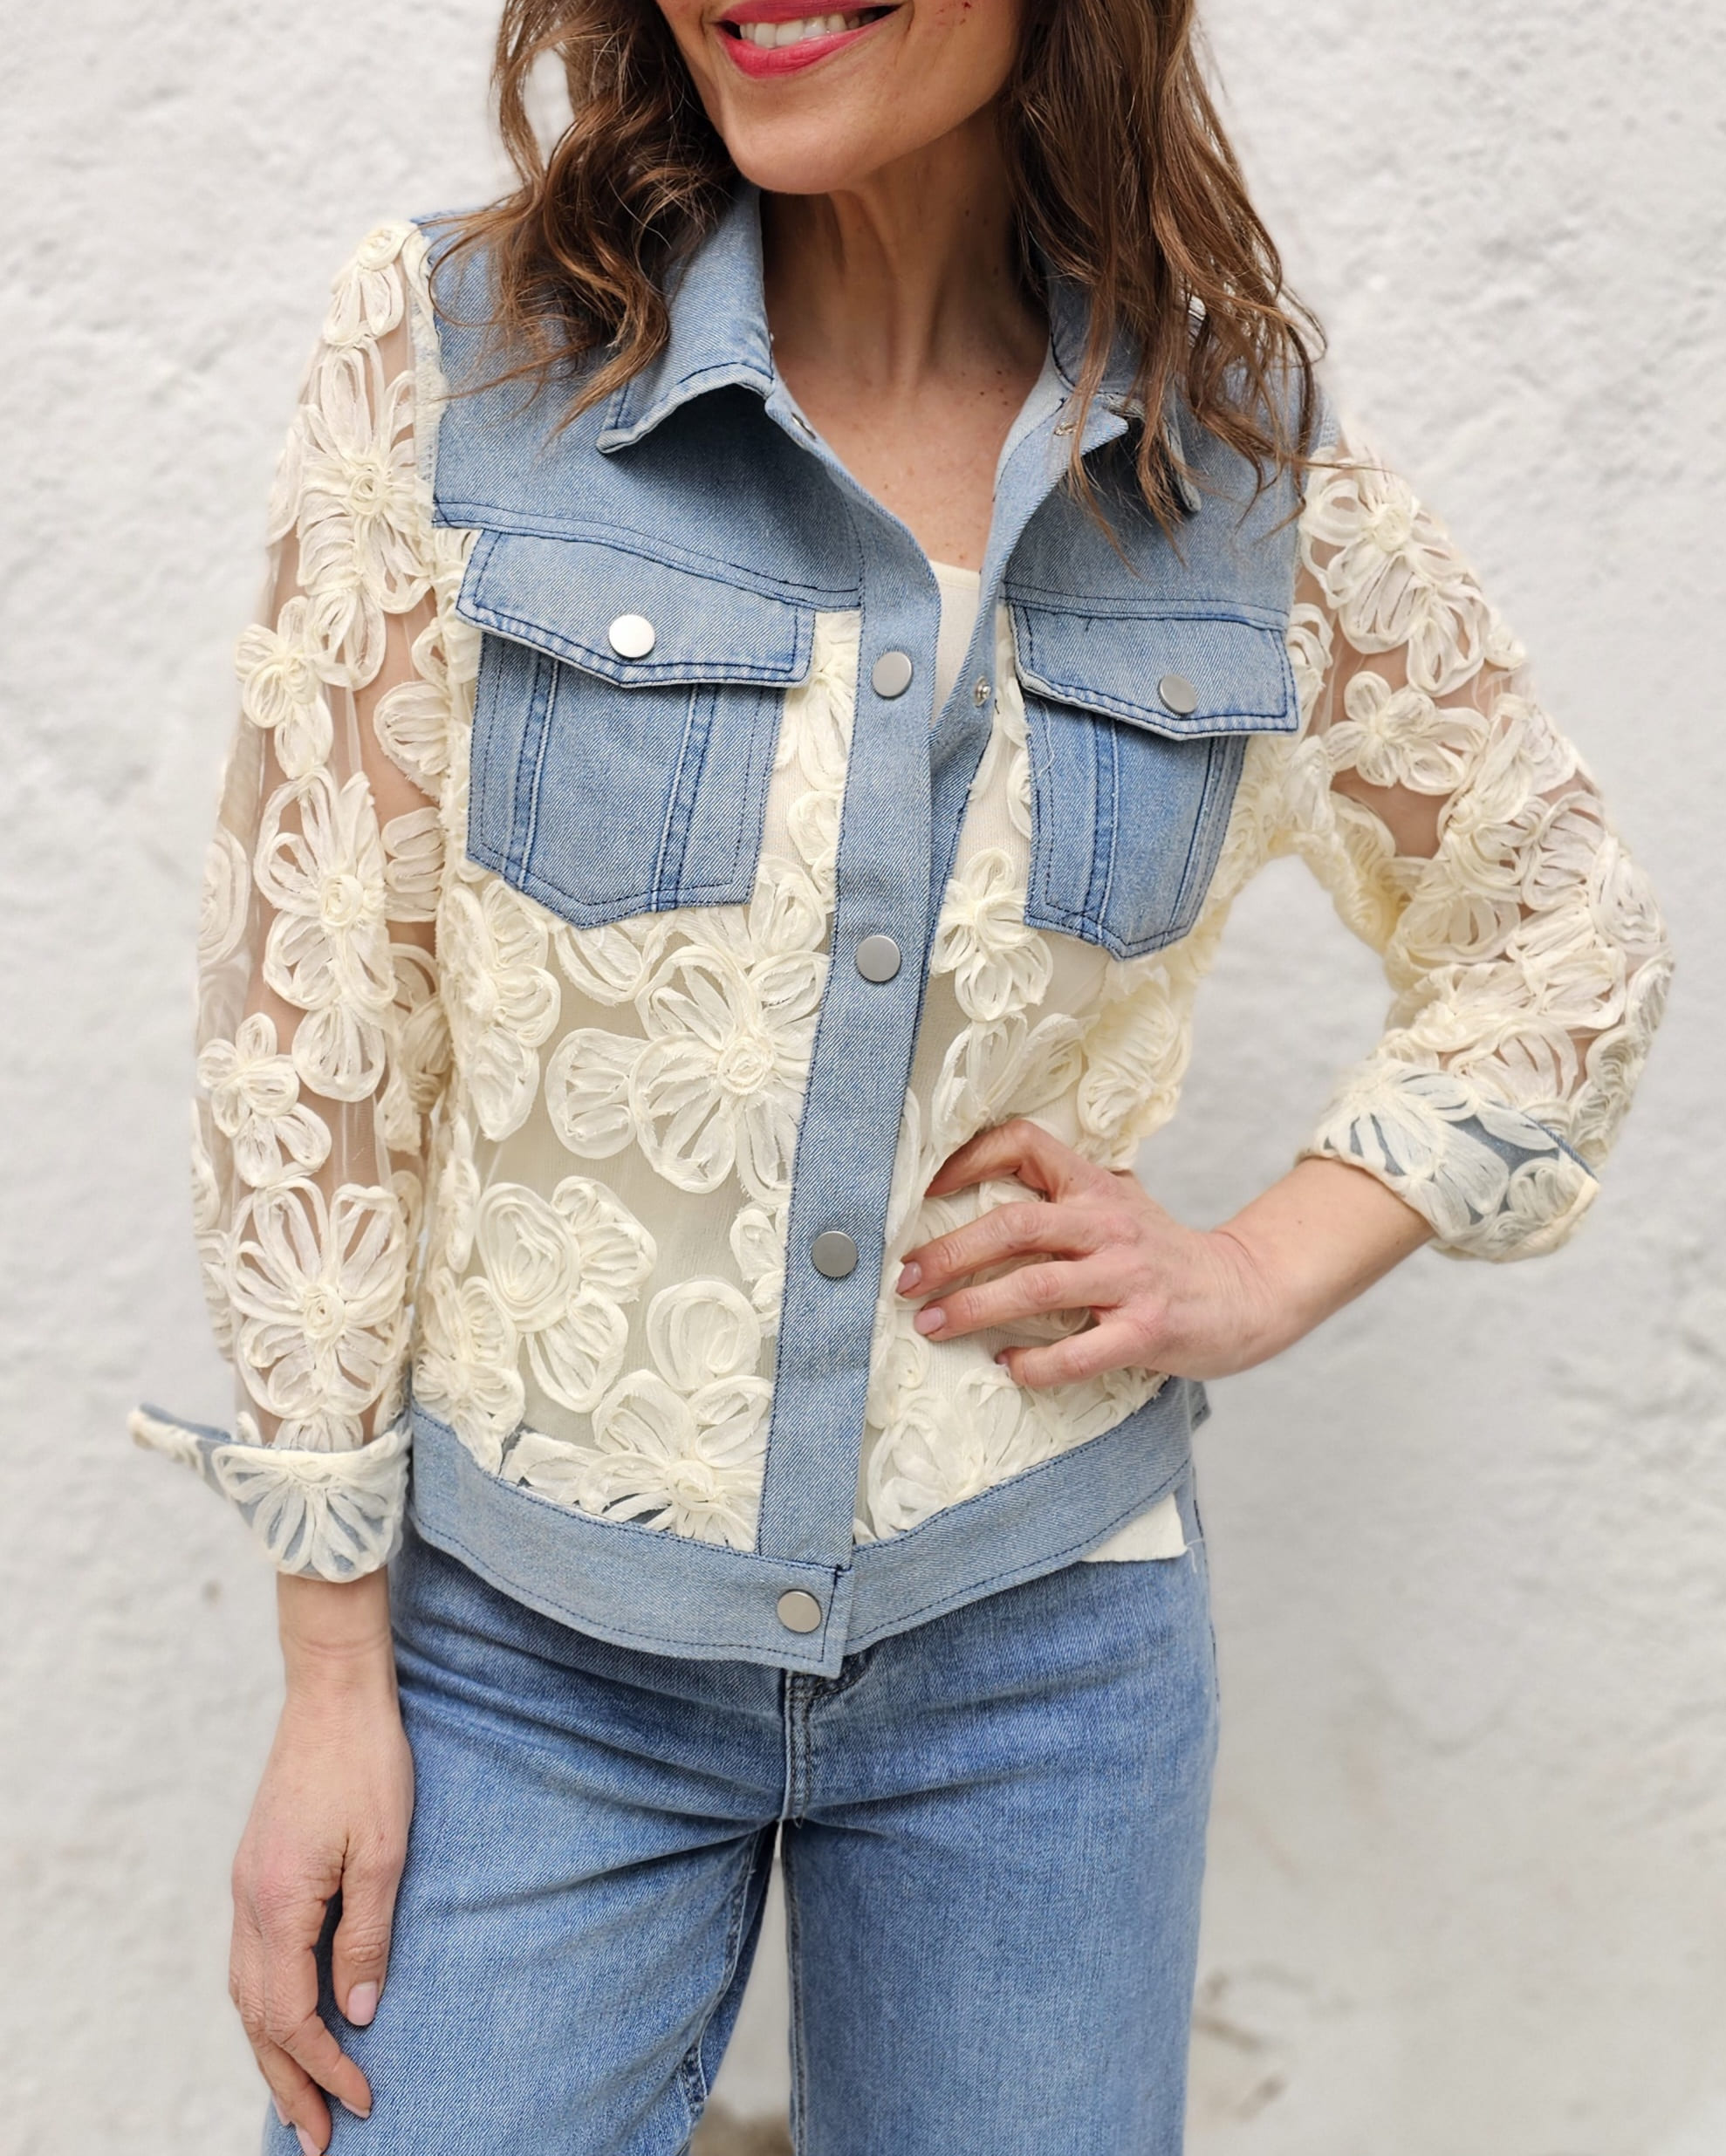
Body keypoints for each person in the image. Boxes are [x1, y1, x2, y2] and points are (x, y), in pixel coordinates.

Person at [132, 2, 1672, 2150]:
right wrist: (325, 1676)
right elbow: (314, 1018)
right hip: (526, 1659)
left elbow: (1558, 929)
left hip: (1038, 1661)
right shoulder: (460, 361)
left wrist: (1253, 1268)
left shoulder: (1230, 474)